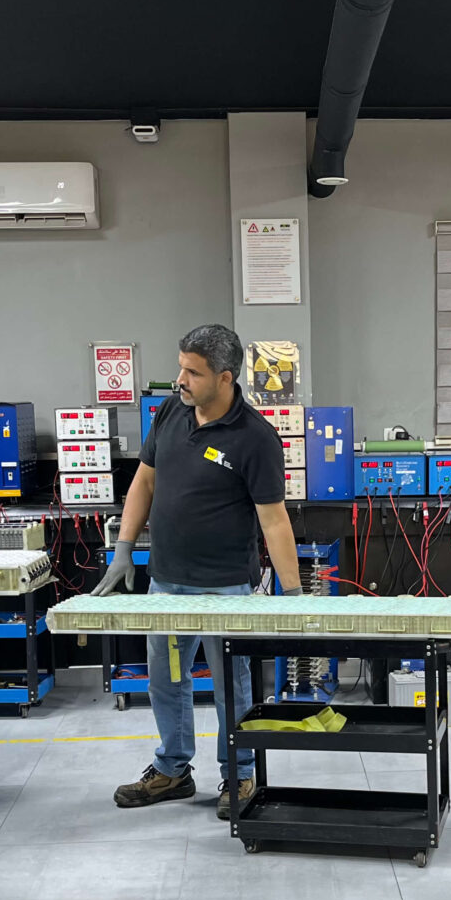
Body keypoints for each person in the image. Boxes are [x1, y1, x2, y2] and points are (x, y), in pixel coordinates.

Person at [95, 324, 301, 818]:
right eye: (181, 367)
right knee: (166, 679)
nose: (180, 379)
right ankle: (172, 769)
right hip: (167, 582)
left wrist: (294, 595)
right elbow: (144, 481)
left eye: (193, 372)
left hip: (226, 588)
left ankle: (240, 774)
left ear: (226, 377)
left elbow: (274, 519)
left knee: (233, 684)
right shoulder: (171, 411)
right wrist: (124, 548)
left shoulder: (256, 438)